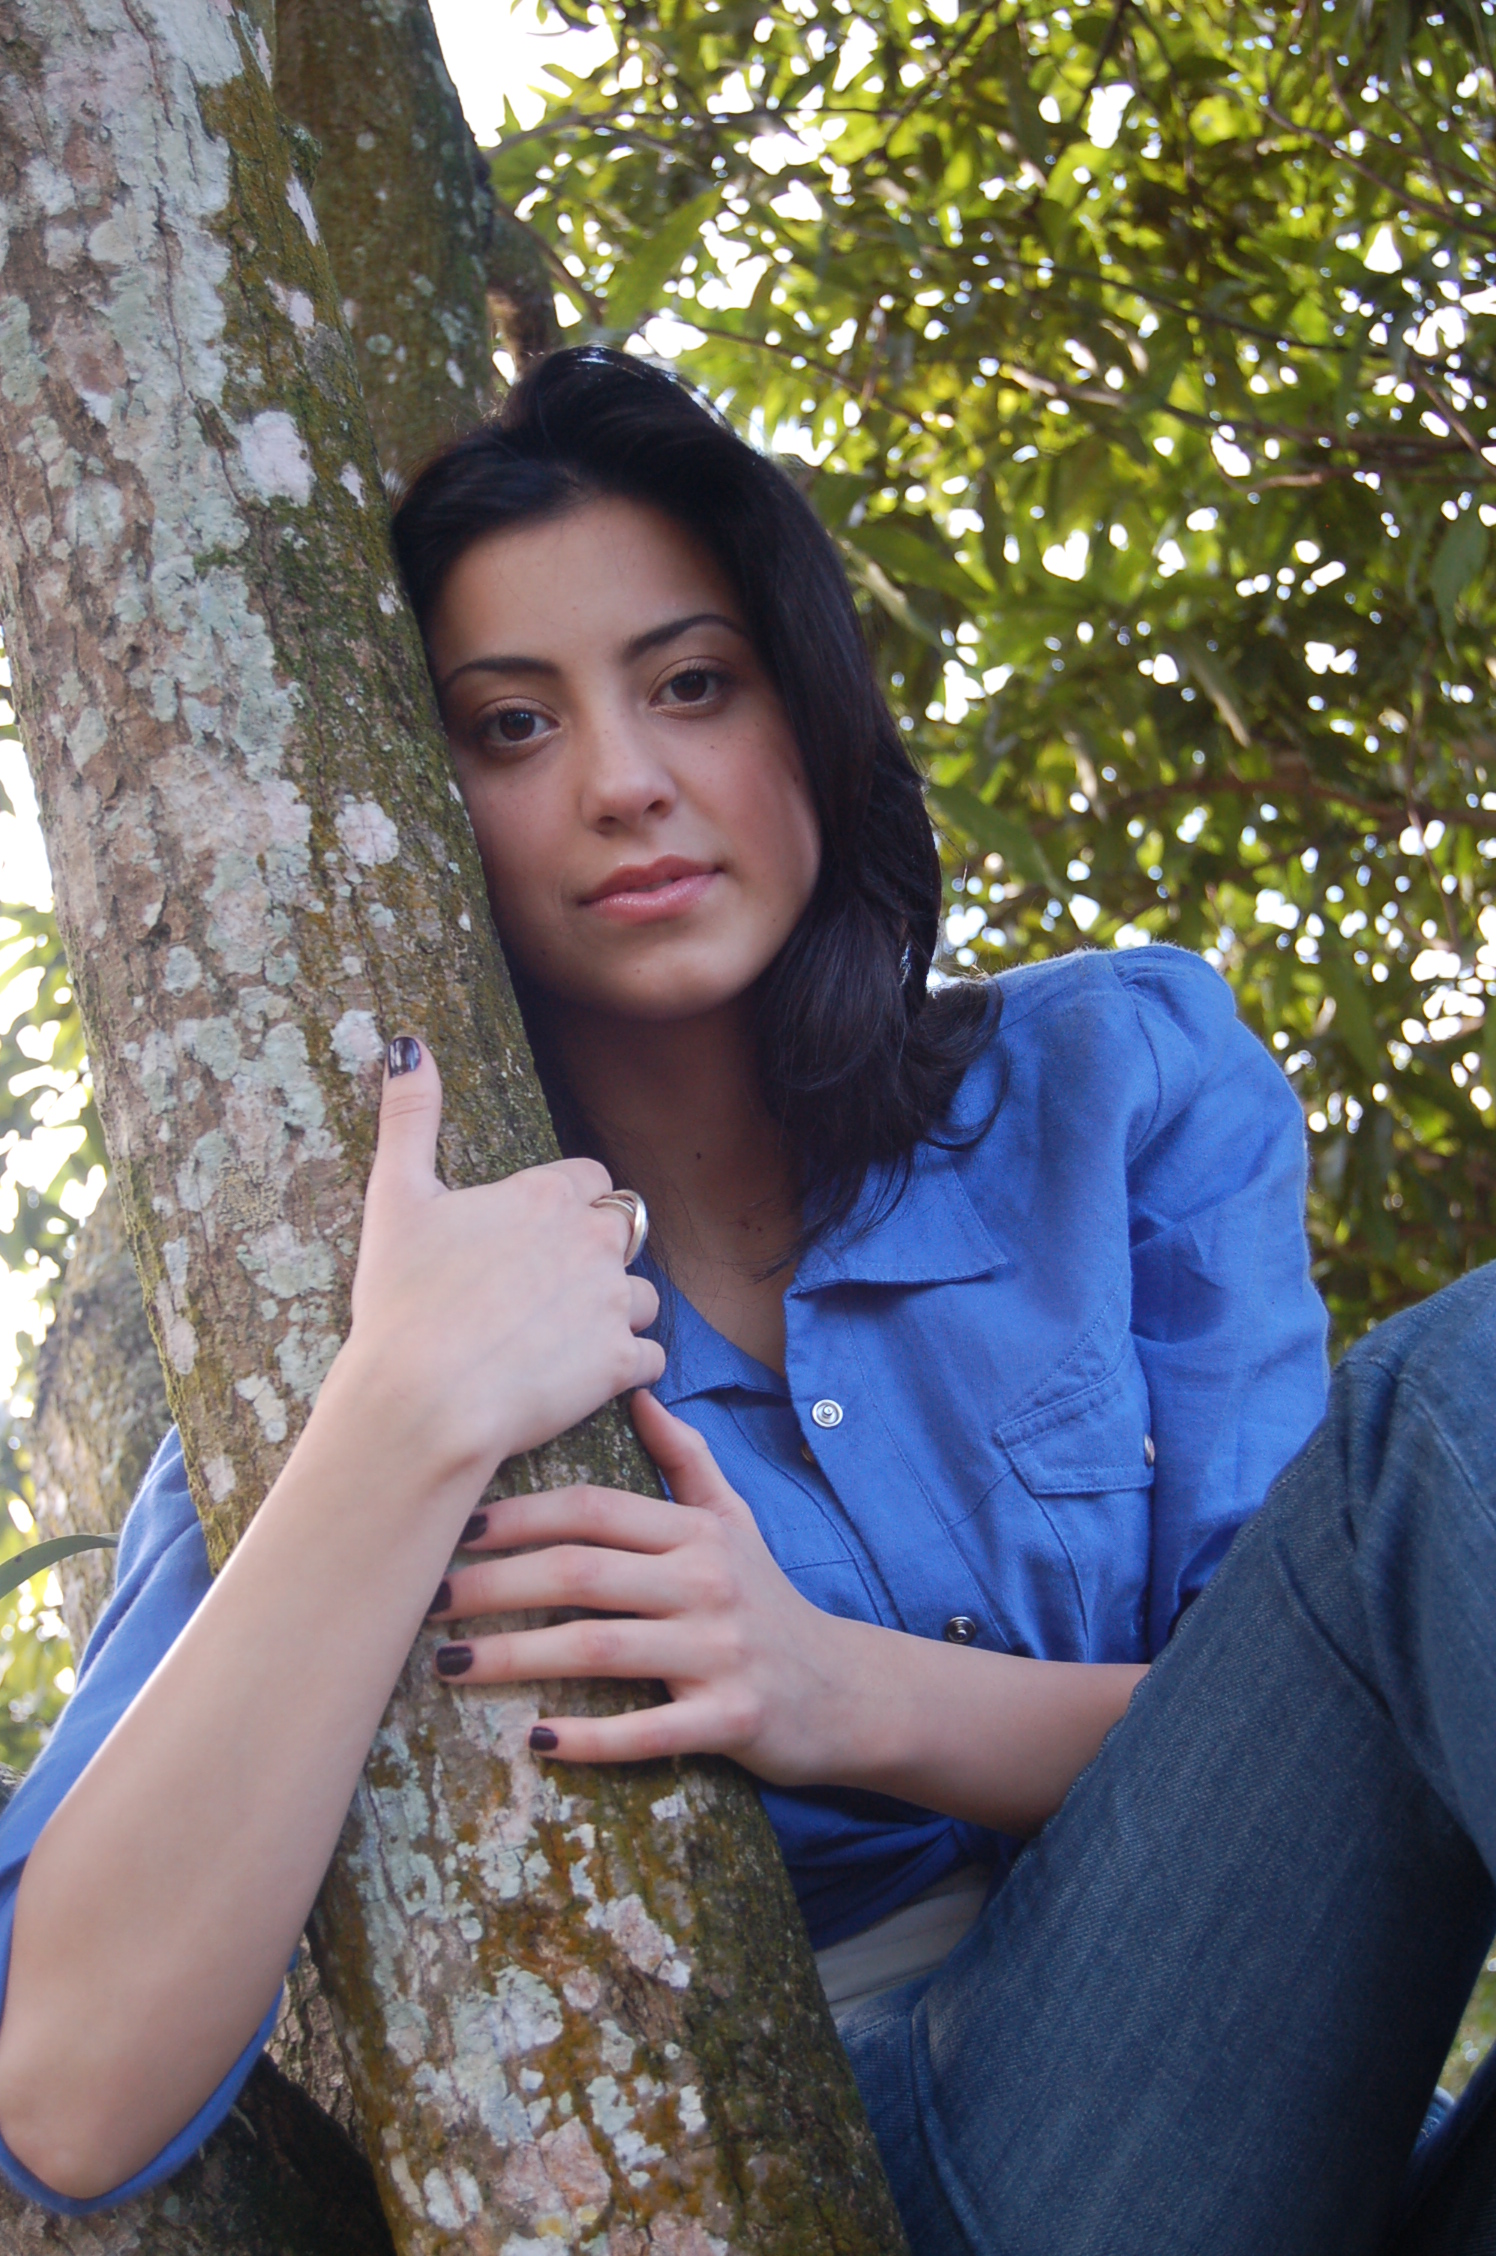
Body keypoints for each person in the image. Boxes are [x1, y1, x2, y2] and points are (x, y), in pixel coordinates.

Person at [0, 344, 1488, 2253]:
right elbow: (66, 2082)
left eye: (690, 683)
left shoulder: (1109, 1083)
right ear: (421, 798)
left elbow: (1323, 1686)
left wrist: (834, 1688)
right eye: (511, 727)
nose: (624, 784)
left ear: (809, 708)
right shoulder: (387, 1304)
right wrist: (404, 1411)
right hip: (911, 2171)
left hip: (1355, 2122)